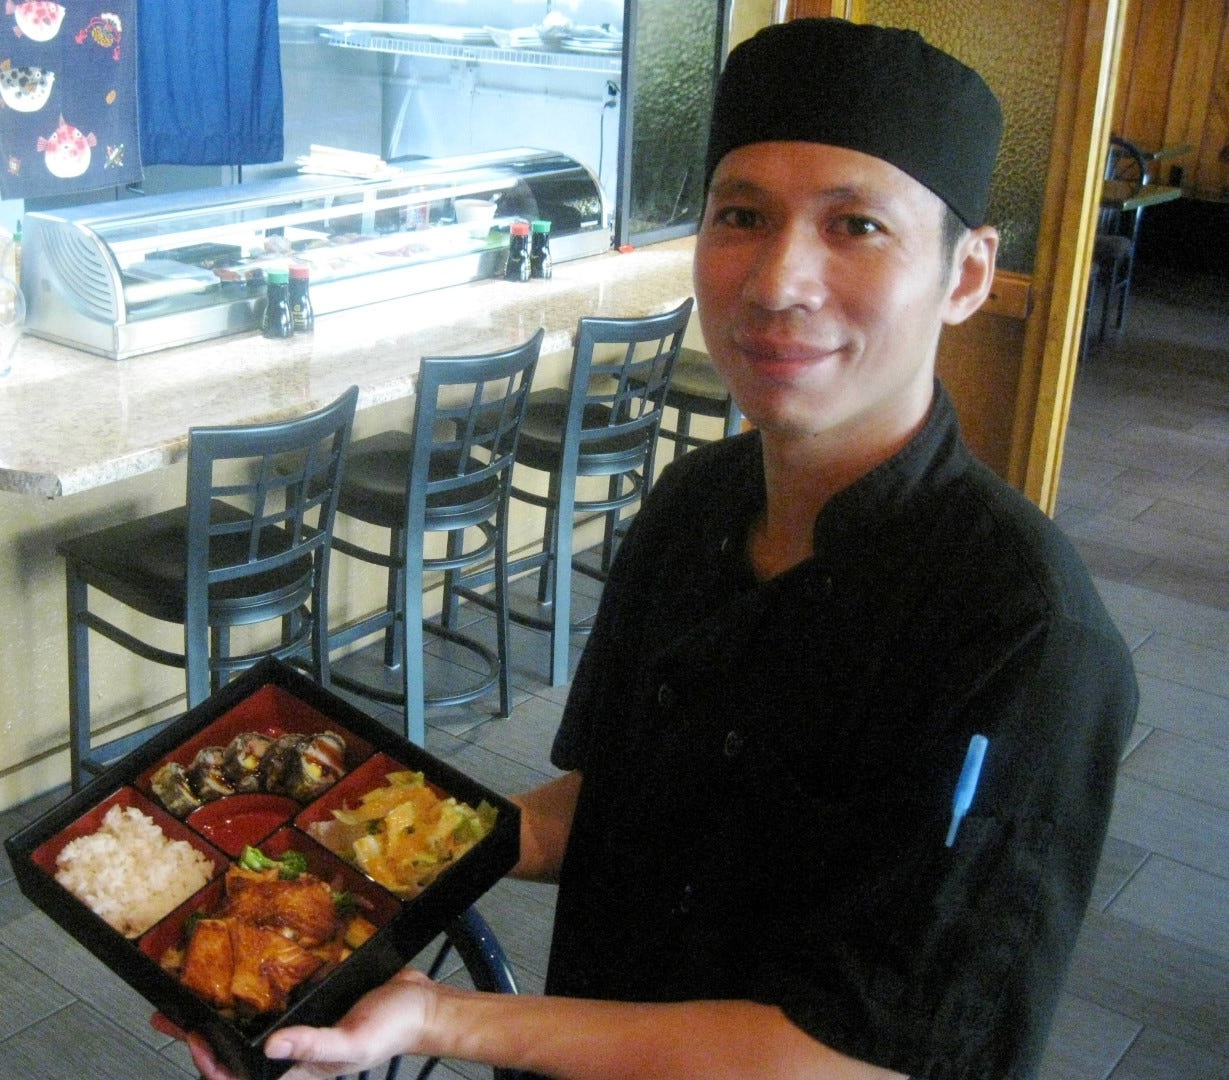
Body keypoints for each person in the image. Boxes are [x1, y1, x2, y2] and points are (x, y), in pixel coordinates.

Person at [170, 18, 1138, 1079]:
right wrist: (380, 846)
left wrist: (441, 1020)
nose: (776, 282)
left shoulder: (1026, 636)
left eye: (855, 226)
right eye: (741, 215)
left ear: (965, 275)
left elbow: (867, 1055)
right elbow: (619, 806)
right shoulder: (694, 503)